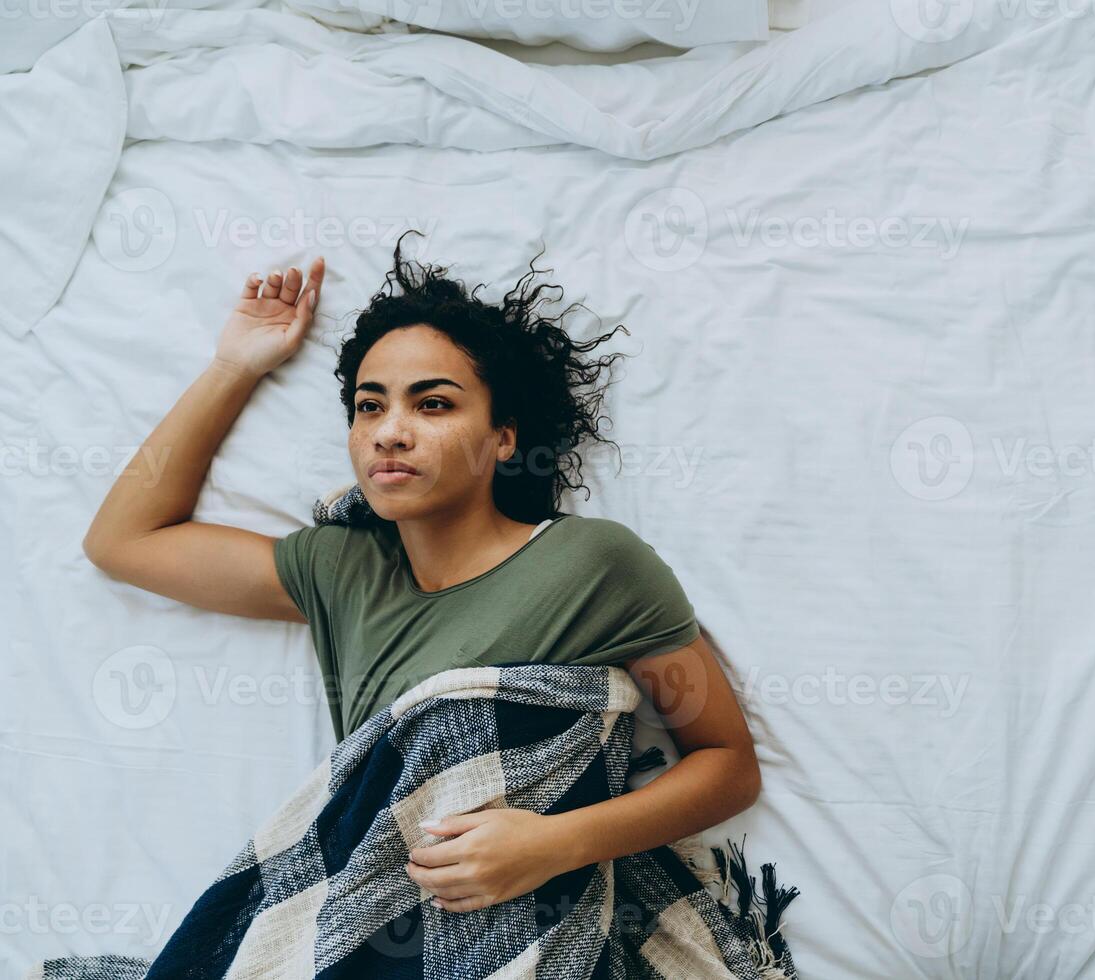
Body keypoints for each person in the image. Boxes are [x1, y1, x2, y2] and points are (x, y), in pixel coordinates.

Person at [81, 238, 761, 915]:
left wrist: (556, 843)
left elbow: (726, 765)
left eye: (432, 404)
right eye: (369, 406)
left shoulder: (595, 565)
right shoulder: (340, 570)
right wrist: (233, 366)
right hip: (372, 906)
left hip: (531, 904)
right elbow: (124, 541)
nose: (389, 432)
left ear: (504, 436)